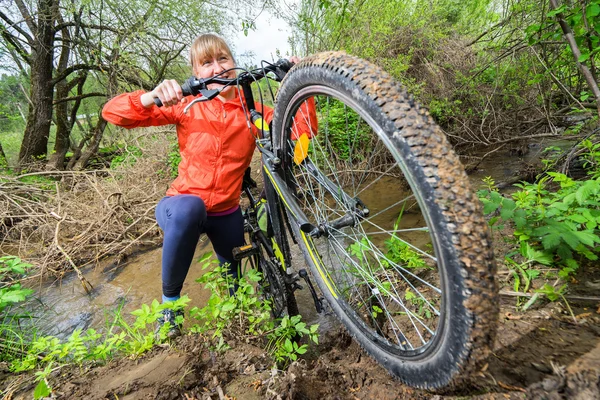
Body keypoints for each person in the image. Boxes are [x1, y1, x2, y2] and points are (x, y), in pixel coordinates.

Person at [102, 33, 316, 338]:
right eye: (206, 63)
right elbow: (112, 113)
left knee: (235, 287)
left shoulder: (253, 113)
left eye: (223, 59)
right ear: (195, 72)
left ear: (234, 63)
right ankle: (170, 308)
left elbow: (300, 138)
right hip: (180, 205)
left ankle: (239, 327)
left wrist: (299, 86)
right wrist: (152, 95)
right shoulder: (186, 104)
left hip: (226, 211)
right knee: (191, 207)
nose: (217, 68)